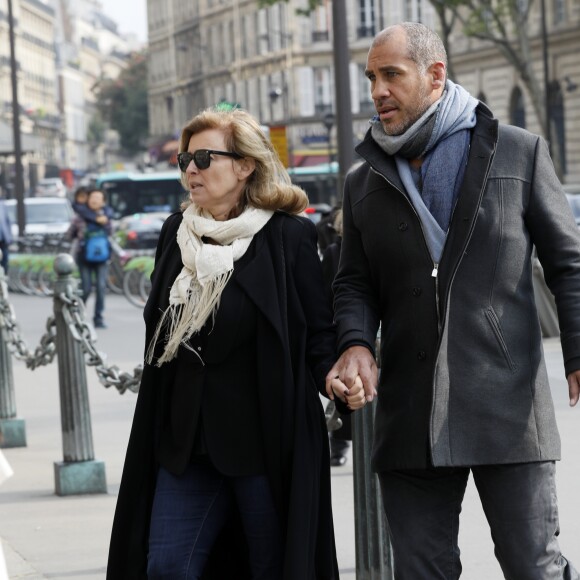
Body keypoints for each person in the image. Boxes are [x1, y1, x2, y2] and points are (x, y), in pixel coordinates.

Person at [327, 21, 580, 579]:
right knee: (421, 571)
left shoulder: (518, 152)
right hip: (409, 408)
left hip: (507, 404)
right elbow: (354, 282)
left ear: (435, 74)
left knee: (532, 565)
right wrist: (355, 344)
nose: (377, 91)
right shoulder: (363, 178)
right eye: (371, 77)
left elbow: (569, 264)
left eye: (391, 74)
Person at [107, 107, 364, 579]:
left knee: (270, 567)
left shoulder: (288, 237)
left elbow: (316, 331)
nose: (190, 169)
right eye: (186, 158)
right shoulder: (175, 235)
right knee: (165, 567)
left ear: (245, 165)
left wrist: (332, 375)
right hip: (186, 443)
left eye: (204, 157)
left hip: (264, 444)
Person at [320, 209, 352, 467]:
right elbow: (324, 296)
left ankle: (340, 444)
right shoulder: (334, 253)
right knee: (346, 393)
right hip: (341, 330)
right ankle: (339, 443)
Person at [68, 188, 112, 329]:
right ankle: (78, 315)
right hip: (84, 257)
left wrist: (104, 222)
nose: (94, 200)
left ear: (103, 202)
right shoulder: (79, 216)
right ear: (88, 200)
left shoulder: (106, 216)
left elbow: (111, 232)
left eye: (98, 198)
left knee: (100, 287)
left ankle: (98, 318)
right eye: (92, 197)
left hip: (102, 257)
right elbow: (70, 234)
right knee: (86, 288)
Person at [0, 197, 12, 274]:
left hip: (3, 239)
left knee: (5, 260)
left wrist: (9, 237)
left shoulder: (2, 204)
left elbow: (7, 221)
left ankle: (4, 278)